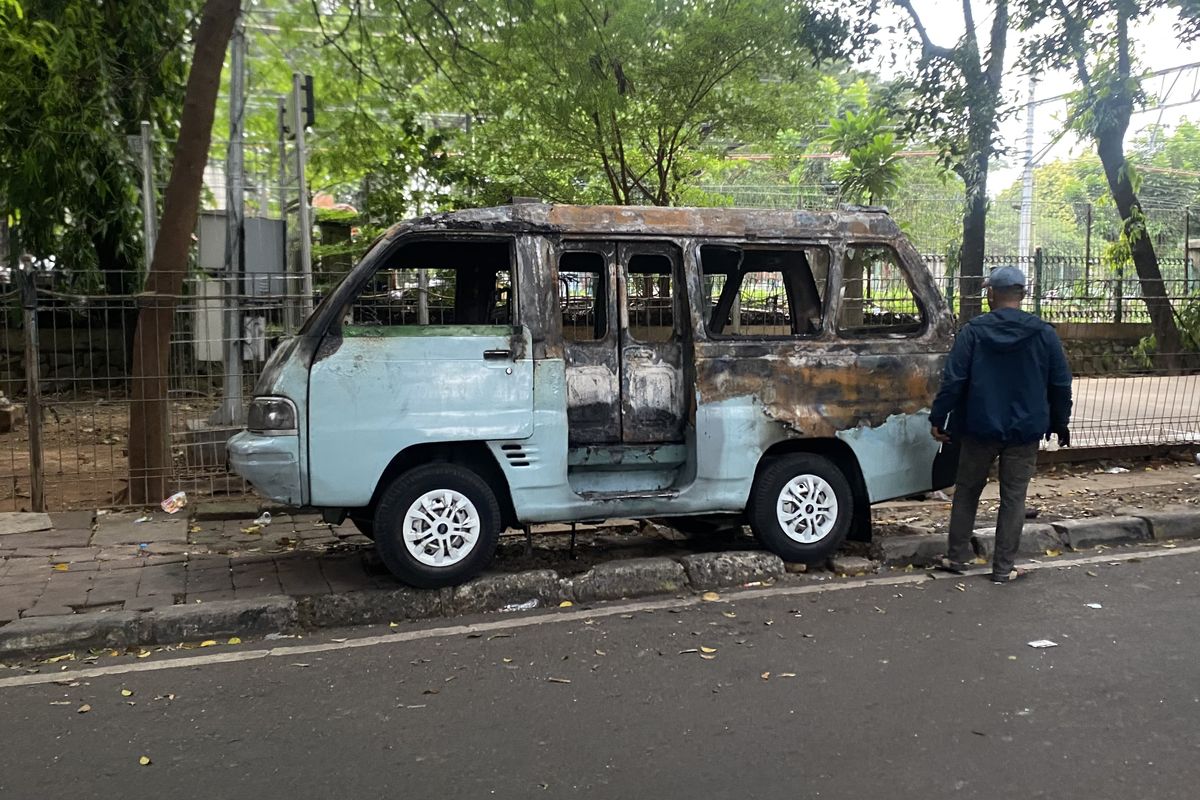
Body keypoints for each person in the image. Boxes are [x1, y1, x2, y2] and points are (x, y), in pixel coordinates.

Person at [929, 266, 1073, 584]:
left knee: (967, 491)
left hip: (979, 428)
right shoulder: (1043, 333)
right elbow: (1061, 384)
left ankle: (956, 557)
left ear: (990, 294)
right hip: (1025, 432)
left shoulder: (973, 332)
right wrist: (1060, 422)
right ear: (1022, 294)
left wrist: (939, 417)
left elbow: (953, 379)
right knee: (1013, 498)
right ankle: (1003, 568)